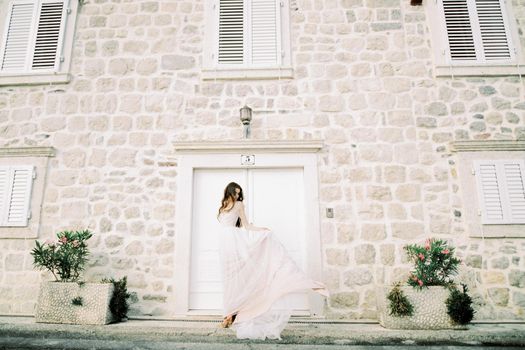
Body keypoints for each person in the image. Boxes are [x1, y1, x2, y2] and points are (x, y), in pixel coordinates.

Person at [217, 182, 329, 340]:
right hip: (225, 244)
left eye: (239, 193)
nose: (237, 195)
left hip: (236, 242)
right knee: (229, 279)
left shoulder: (239, 205)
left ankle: (233, 314)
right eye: (235, 193)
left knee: (239, 278)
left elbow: (247, 226)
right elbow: (226, 226)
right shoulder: (223, 206)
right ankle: (230, 314)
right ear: (228, 192)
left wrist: (262, 230)